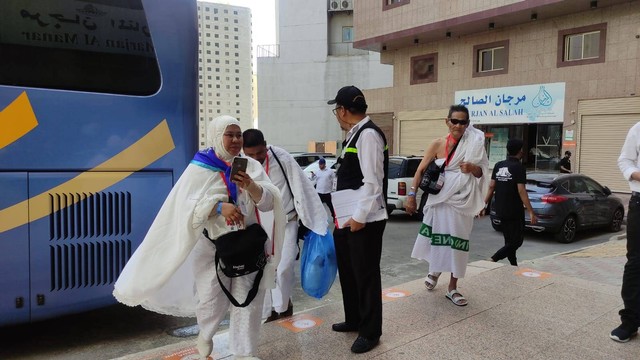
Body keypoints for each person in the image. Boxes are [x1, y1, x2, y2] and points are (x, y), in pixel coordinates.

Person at [113, 115, 286, 360]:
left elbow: (269, 202)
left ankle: (244, 352)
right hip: (211, 248)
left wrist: (250, 186)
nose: (236, 139)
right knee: (211, 299)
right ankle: (205, 336)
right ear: (217, 136)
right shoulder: (199, 168)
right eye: (230, 134)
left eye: (239, 135)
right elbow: (185, 207)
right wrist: (218, 208)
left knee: (248, 300)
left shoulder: (250, 167)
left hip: (247, 244)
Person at [242, 129, 329, 323]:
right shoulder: (241, 164)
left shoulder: (281, 157)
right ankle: (268, 312)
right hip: (259, 225)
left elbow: (301, 185)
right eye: (251, 155)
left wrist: (313, 217)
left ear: (266, 145)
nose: (256, 158)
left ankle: (283, 306)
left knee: (284, 267)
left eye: (259, 153)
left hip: (287, 220)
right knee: (263, 270)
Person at [406, 104, 489, 307]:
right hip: (440, 199)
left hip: (462, 201)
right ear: (447, 121)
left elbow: (482, 173)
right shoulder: (437, 144)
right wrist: (411, 195)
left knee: (458, 243)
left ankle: (452, 287)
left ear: (467, 124)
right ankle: (434, 271)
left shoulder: (474, 145)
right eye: (454, 121)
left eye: (462, 122)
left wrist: (472, 168)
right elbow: (420, 170)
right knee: (438, 239)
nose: (458, 125)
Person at [327, 85, 388, 354]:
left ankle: (370, 332)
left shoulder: (368, 135)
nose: (336, 115)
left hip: (365, 220)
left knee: (366, 275)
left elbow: (373, 182)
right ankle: (354, 319)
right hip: (346, 217)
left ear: (342, 110)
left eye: (335, 110)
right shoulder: (353, 136)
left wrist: (360, 217)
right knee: (349, 272)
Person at [479, 139, 537, 266]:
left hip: (500, 208)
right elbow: (521, 190)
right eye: (522, 149)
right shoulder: (519, 168)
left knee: (509, 240)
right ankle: (494, 258)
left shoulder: (499, 165)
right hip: (514, 210)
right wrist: (531, 211)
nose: (523, 151)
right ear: (519, 151)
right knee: (517, 241)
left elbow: (491, 186)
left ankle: (513, 265)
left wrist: (484, 205)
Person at [613, 122, 640, 343]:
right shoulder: (638, 129)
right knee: (635, 262)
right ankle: (630, 321)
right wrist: (637, 174)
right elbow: (625, 160)